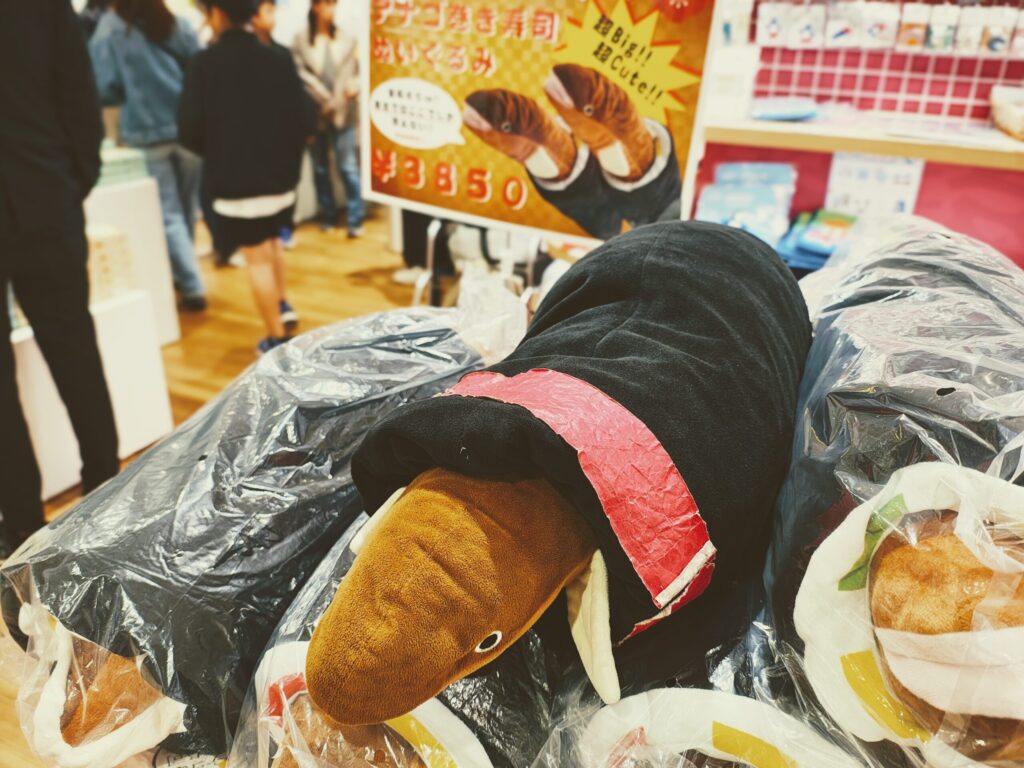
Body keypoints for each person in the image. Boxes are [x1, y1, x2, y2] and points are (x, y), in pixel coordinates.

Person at [0, 0, 120, 550]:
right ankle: (100, 500)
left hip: (47, 197)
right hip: (46, 194)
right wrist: (71, 182)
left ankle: (25, 521)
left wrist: (73, 182)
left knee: (75, 355)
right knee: (77, 353)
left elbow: (78, 96)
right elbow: (78, 98)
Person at [179, 0, 315, 352]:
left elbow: (189, 130)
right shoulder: (278, 57)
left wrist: (219, 150)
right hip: (280, 178)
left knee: (257, 258)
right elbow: (303, 118)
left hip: (236, 182)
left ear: (218, 14)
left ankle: (277, 339)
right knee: (273, 243)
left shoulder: (203, 64)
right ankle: (283, 306)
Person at [89, 0, 208, 311]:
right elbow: (200, 66)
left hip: (145, 132)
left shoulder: (111, 29)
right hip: (189, 129)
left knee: (169, 214)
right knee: (186, 208)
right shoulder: (174, 21)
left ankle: (191, 282)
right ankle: (186, 273)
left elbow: (105, 87)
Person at [292, 0, 365, 238]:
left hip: (344, 112)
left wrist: (354, 87)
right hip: (316, 114)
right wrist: (324, 99)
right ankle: (328, 215)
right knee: (320, 168)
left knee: (348, 167)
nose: (331, 9)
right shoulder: (301, 40)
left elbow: (358, 71)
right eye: (327, 4)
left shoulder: (347, 38)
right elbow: (301, 75)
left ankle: (355, 218)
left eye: (334, 4)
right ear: (315, 7)